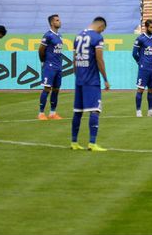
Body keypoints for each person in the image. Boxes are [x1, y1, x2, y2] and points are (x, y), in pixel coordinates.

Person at [71, 17, 111, 152]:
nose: (102, 32)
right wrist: (105, 78)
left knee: (78, 111)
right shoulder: (97, 38)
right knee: (95, 109)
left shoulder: (78, 36)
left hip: (80, 79)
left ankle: (74, 142)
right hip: (92, 79)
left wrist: (77, 76)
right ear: (101, 26)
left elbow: (74, 59)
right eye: (102, 30)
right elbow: (99, 59)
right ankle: (92, 143)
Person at [38, 14, 64, 120]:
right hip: (49, 66)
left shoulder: (59, 36)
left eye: (59, 20)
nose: (59, 21)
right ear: (52, 23)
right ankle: (41, 113)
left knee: (56, 89)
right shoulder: (48, 35)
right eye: (57, 20)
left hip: (58, 66)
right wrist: (44, 61)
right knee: (47, 88)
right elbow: (41, 50)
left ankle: (53, 113)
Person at [133, 19, 152, 117]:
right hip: (143, 69)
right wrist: (140, 63)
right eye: (151, 27)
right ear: (146, 27)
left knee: (151, 90)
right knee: (140, 89)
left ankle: (150, 111)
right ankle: (138, 111)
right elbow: (134, 54)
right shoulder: (140, 39)